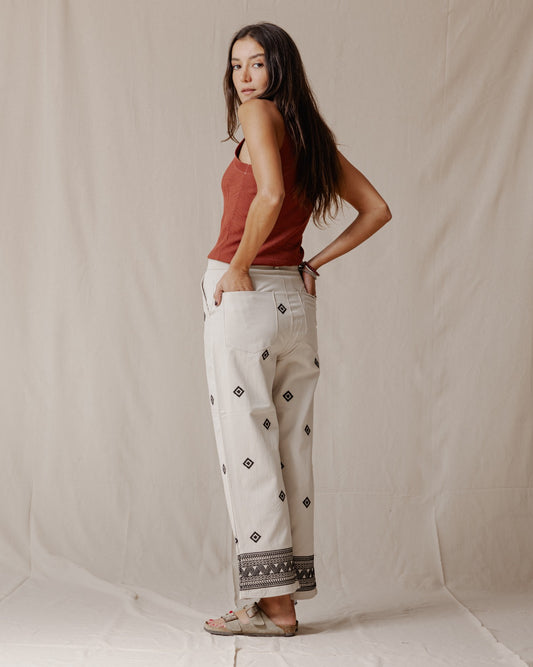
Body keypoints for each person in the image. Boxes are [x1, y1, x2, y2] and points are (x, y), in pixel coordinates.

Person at [200, 22, 392, 637]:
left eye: (257, 63)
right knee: (290, 451)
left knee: (249, 448)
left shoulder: (257, 115)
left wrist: (237, 267)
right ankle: (285, 600)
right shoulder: (310, 136)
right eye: (236, 65)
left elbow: (270, 194)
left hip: (247, 298)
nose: (244, 77)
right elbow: (378, 209)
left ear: (279, 68)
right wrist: (312, 263)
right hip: (294, 302)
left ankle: (272, 607)